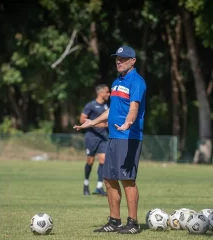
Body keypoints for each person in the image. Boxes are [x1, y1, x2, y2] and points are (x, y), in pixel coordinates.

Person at [74, 46, 146, 234]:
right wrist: (92, 122)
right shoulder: (115, 83)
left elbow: (134, 107)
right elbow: (111, 111)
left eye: (123, 58)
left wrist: (128, 123)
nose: (119, 61)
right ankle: (114, 221)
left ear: (133, 61)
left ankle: (133, 223)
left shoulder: (137, 82)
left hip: (128, 137)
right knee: (108, 178)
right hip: (113, 137)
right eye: (117, 58)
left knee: (127, 179)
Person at [80, 84, 110, 196]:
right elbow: (82, 119)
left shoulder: (107, 107)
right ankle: (86, 184)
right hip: (91, 137)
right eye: (107, 92)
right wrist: (99, 124)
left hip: (103, 138)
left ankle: (99, 187)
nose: (109, 94)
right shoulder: (90, 105)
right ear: (100, 93)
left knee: (103, 159)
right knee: (90, 161)